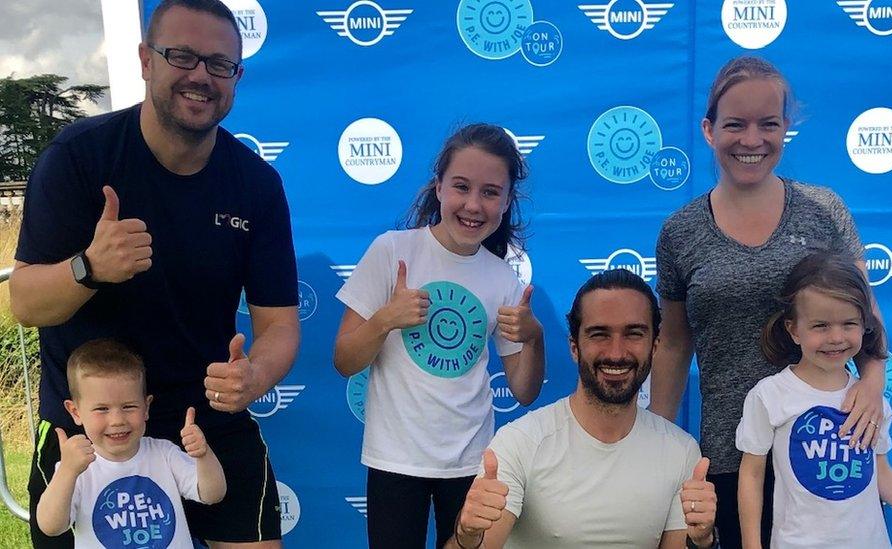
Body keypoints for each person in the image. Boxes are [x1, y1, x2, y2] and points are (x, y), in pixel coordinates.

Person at [11, 1, 300, 546]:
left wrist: (255, 376)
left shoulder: (256, 185)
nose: (200, 76)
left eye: (219, 64)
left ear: (237, 77)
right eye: (182, 56)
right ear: (146, 60)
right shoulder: (78, 158)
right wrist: (89, 268)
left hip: (205, 421)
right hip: (95, 429)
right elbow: (25, 303)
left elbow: (280, 325)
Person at [650, 56, 888, 548]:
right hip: (735, 461)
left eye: (769, 124)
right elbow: (672, 346)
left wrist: (874, 380)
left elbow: (867, 320)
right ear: (709, 129)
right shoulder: (680, 232)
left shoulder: (825, 211)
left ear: (786, 130)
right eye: (735, 124)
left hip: (831, 447)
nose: (752, 140)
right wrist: (657, 441)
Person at [333, 123, 546, 548]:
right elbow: (344, 360)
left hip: (472, 464)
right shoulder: (393, 251)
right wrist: (385, 320)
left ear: (507, 202)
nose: (473, 204)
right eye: (461, 187)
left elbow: (523, 391)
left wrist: (535, 336)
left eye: (490, 192)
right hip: (394, 460)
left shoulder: (504, 279)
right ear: (438, 188)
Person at [448, 269, 718, 549]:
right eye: (599, 334)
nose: (616, 352)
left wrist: (702, 541)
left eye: (633, 334)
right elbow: (480, 543)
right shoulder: (521, 442)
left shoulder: (681, 451)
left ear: (654, 346)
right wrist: (467, 536)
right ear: (574, 347)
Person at [736, 252, 892, 547]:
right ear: (793, 329)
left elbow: (882, 474)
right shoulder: (770, 395)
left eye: (849, 323)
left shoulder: (872, 401)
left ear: (865, 325)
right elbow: (751, 475)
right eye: (821, 326)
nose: (836, 337)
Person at [36, 339, 226, 548]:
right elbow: (51, 526)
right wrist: (68, 471)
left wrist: (203, 455)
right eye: (102, 409)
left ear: (146, 407)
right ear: (75, 411)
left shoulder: (164, 454)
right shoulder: (76, 469)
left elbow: (212, 494)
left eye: (128, 407)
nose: (117, 420)